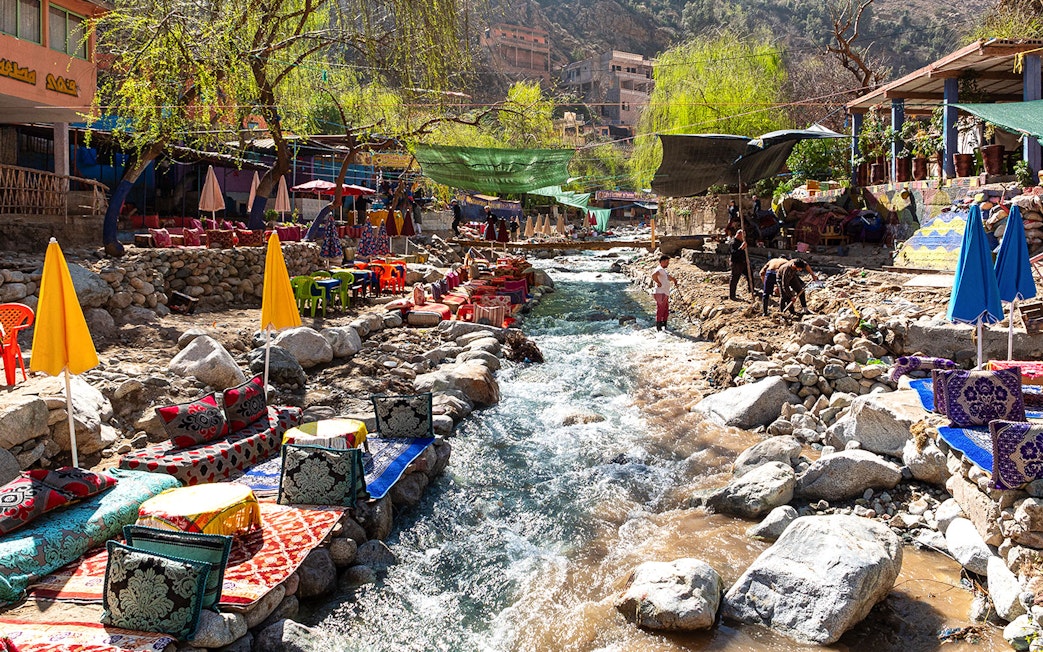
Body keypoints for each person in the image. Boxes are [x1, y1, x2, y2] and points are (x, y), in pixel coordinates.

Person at [650, 255, 677, 331]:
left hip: (664, 293)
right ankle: (659, 328)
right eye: (666, 262)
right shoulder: (659, 269)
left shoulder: (663, 270)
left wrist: (674, 280)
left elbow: (668, 277)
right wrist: (658, 282)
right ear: (661, 262)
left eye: (668, 262)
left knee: (665, 310)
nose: (668, 264)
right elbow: (653, 275)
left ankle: (664, 326)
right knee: (661, 310)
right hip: (661, 293)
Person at [728, 229, 753, 301]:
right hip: (736, 263)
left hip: (743, 262)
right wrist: (741, 248)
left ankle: (751, 290)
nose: (744, 237)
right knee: (735, 278)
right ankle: (732, 295)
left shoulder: (741, 241)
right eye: (743, 236)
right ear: (739, 235)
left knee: (749, 274)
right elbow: (734, 254)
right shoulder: (733, 242)